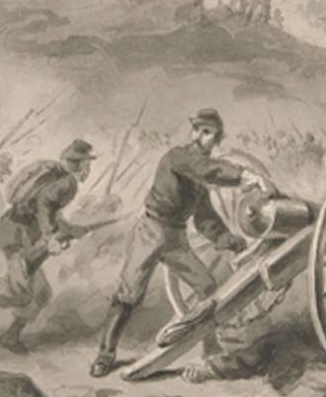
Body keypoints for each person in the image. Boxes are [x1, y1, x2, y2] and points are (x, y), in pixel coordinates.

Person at [92, 109, 249, 377]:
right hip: (150, 231)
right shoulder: (178, 157)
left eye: (207, 132)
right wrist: (243, 175)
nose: (199, 136)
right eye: (197, 129)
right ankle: (104, 356)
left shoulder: (199, 181)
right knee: (129, 294)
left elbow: (205, 218)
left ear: (217, 139)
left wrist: (226, 239)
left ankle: (211, 350)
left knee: (208, 288)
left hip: (176, 238)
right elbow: (204, 169)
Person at [0, 139, 96, 349]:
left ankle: (11, 335)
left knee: (40, 293)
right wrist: (51, 236)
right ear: (80, 163)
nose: (87, 168)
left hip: (13, 229)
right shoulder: (67, 182)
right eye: (86, 163)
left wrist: (71, 229)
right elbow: (45, 204)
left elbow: (48, 209)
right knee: (24, 293)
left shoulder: (54, 174)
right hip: (21, 235)